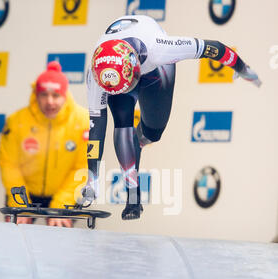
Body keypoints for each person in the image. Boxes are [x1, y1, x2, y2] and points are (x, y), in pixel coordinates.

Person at [83, 15, 261, 220]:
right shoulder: (97, 75)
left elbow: (215, 48)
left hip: (155, 69)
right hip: (119, 71)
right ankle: (133, 198)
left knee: (153, 131)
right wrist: (92, 179)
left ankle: (139, 138)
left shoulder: (160, 48)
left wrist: (241, 68)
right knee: (121, 124)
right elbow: (96, 128)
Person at [0, 61, 89, 227]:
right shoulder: (16, 122)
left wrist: (61, 206)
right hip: (24, 192)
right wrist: (19, 204)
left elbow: (82, 168)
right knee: (14, 240)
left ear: (65, 95)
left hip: (64, 193)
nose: (50, 102)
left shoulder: (83, 121)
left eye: (56, 95)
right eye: (44, 95)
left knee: (59, 241)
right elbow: (10, 165)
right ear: (36, 94)